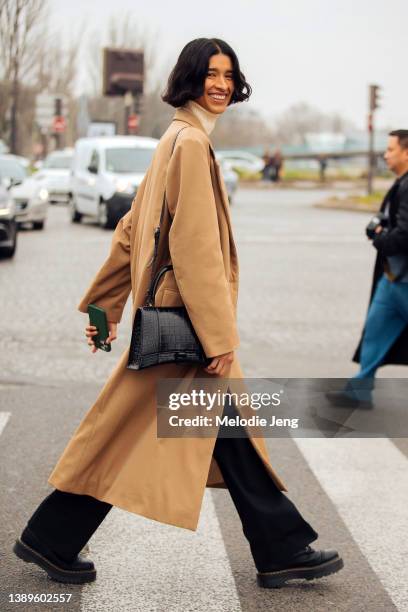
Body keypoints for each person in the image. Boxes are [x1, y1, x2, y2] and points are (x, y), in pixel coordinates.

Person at [13, 38, 343, 589]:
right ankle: (52, 536)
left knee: (222, 432)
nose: (220, 83)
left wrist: (103, 306)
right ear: (189, 79)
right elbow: (193, 249)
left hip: (171, 323)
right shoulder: (189, 145)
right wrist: (218, 338)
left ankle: (280, 546)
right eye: (210, 73)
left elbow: (129, 232)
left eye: (228, 74)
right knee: (133, 435)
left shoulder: (175, 139)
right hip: (183, 329)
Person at [327, 130, 408, 408]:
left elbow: (404, 235)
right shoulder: (402, 182)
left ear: (406, 152)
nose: (385, 154)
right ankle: (359, 391)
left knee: (376, 331)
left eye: (390, 149)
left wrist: (378, 237)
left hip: (404, 279)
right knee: (375, 331)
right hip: (393, 278)